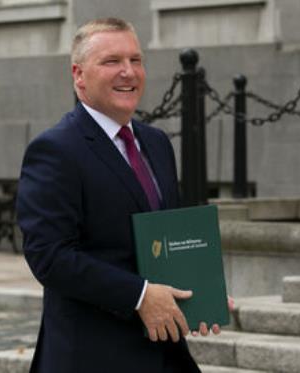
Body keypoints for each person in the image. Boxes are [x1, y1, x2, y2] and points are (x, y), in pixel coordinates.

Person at [16, 17, 226, 373]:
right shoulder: (55, 150)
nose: (128, 72)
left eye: (135, 60)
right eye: (111, 61)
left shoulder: (157, 143)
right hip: (92, 355)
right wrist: (140, 295)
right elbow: (49, 257)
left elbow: (163, 238)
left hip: (164, 352)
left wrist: (200, 294)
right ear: (79, 75)